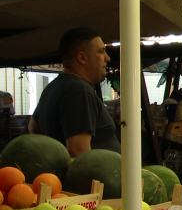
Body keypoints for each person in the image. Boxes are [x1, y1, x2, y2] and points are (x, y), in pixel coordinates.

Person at [28, 27, 121, 156]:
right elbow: (78, 150)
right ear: (82, 58)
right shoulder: (78, 89)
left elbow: (33, 128)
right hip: (98, 175)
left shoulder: (53, 87)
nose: (107, 58)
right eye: (101, 51)